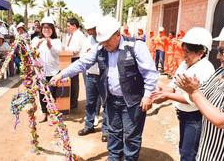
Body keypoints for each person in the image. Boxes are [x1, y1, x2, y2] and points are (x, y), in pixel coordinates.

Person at [51, 16, 158, 160]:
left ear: (118, 34)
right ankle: (114, 157)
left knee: (131, 135)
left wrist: (147, 95)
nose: (105, 44)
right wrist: (61, 74)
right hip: (111, 100)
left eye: (108, 40)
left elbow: (150, 73)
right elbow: (82, 64)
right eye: (102, 41)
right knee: (114, 132)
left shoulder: (136, 47)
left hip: (133, 102)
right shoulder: (100, 49)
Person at [176, 17, 224, 161]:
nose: (218, 56)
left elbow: (221, 120)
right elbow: (202, 92)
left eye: (222, 51)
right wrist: (191, 90)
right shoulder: (221, 71)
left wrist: (194, 92)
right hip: (207, 152)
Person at [151, 27, 215, 161]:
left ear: (201, 52)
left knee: (189, 153)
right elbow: (173, 85)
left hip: (195, 117)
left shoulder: (205, 69)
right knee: (183, 149)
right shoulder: (185, 64)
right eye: (183, 51)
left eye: (188, 52)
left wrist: (167, 96)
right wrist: (162, 91)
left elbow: (193, 99)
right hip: (183, 114)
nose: (184, 56)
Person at [78, 13, 108, 142]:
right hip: (90, 74)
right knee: (90, 102)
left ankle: (106, 130)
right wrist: (88, 53)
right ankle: (89, 125)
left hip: (104, 75)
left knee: (106, 103)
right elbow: (82, 57)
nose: (90, 32)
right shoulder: (87, 40)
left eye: (92, 29)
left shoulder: (106, 39)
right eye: (89, 29)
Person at [31, 16, 61, 123]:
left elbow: (57, 54)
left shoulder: (57, 41)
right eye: (44, 28)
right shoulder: (36, 40)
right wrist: (36, 46)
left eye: (48, 28)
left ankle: (52, 114)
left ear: (52, 30)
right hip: (41, 73)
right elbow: (31, 55)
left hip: (53, 72)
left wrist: (50, 46)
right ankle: (44, 113)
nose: (46, 30)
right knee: (42, 94)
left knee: (52, 94)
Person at [64, 17, 86, 109]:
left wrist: (67, 51)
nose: (67, 28)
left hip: (75, 59)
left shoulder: (79, 35)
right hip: (66, 59)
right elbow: (66, 46)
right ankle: (68, 101)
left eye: (68, 26)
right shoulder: (69, 35)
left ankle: (73, 102)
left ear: (74, 26)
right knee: (68, 81)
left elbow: (76, 50)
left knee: (74, 81)